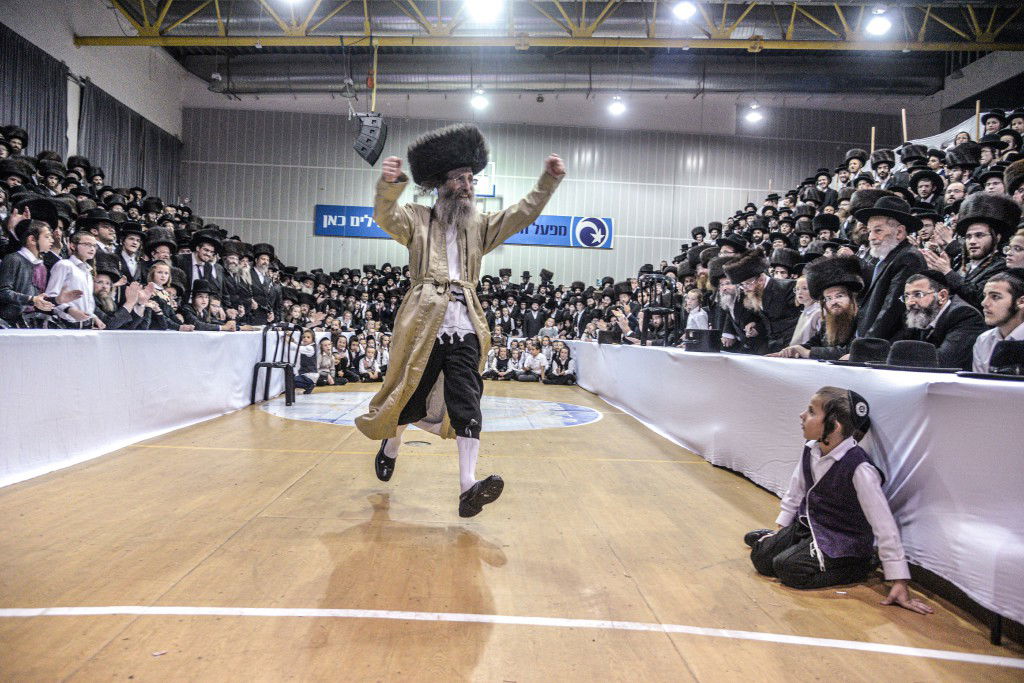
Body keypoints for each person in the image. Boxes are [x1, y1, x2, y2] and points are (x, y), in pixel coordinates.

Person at [357, 123, 565, 518]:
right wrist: (390, 185)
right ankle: (391, 445)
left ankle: (468, 486)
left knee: (467, 398)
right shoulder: (417, 219)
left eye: (472, 178)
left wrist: (548, 181)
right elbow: (384, 215)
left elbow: (522, 213)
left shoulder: (481, 224)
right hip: (423, 320)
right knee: (410, 395)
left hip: (466, 320)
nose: (469, 184)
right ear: (443, 183)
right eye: (462, 178)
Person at [745, 387, 933, 615]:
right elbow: (796, 492)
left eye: (812, 412)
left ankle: (860, 566)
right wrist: (780, 531)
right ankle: (786, 545)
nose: (802, 416)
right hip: (811, 527)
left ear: (834, 426)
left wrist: (899, 579)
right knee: (761, 557)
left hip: (840, 539)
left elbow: (883, 524)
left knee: (788, 568)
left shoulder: (859, 468)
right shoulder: (811, 450)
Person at [923, 193, 1020, 311]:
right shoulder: (961, 263)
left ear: (997, 238)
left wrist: (947, 272)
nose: (972, 241)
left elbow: (979, 298)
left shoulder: (1002, 266)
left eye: (979, 235)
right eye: (968, 237)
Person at [852, 196, 926, 340]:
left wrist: (866, 345)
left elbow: (891, 310)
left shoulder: (908, 258)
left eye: (878, 231)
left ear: (899, 232)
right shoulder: (888, 257)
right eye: (870, 231)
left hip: (886, 346)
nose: (871, 237)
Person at [770, 255, 862, 360]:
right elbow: (816, 342)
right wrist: (796, 349)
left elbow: (850, 351)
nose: (833, 302)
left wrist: (808, 353)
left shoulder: (862, 319)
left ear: (851, 297)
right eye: (828, 298)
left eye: (839, 296)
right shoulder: (829, 319)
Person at [892, 271, 986, 370]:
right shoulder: (920, 316)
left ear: (942, 296)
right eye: (906, 296)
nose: (910, 302)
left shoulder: (964, 315)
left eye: (918, 294)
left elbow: (944, 362)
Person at [0, 220, 80, 327]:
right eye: (47, 237)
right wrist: (31, 299)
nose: (52, 240)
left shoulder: (42, 266)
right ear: (32, 240)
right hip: (11, 322)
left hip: (33, 322)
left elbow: (39, 300)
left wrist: (57, 300)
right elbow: (3, 292)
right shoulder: (14, 259)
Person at [722, 248, 801, 354]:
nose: (744, 289)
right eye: (741, 285)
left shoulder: (788, 287)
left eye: (747, 284)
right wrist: (756, 327)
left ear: (761, 279)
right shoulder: (755, 294)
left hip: (793, 346)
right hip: (773, 347)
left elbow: (799, 320)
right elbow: (767, 320)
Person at [973, 270, 1024, 373]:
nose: (984, 303)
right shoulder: (983, 340)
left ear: (1021, 302)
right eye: (984, 296)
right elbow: (979, 387)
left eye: (995, 297)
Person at [788, 276, 822, 346]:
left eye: (805, 288)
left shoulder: (819, 313)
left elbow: (821, 340)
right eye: (797, 289)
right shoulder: (805, 312)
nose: (799, 292)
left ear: (815, 290)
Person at [292, 329, 319, 394]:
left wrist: (288, 342)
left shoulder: (310, 348)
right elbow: (299, 345)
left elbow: (297, 348)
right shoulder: (307, 346)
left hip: (309, 375)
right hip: (306, 374)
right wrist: (293, 341)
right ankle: (307, 385)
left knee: (291, 380)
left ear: (313, 339)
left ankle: (308, 385)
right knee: (291, 378)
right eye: (304, 337)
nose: (305, 338)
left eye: (308, 337)